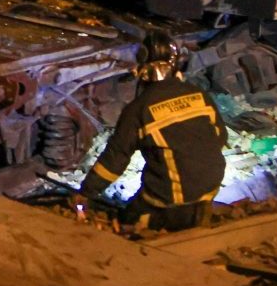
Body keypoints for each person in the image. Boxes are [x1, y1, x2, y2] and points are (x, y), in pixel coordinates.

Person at [76, 30, 227, 231]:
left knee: (129, 219)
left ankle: (167, 220)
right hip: (212, 184)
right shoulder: (199, 95)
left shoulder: (138, 109)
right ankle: (195, 210)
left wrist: (86, 192)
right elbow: (220, 137)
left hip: (174, 192)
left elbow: (115, 159)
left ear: (142, 71)